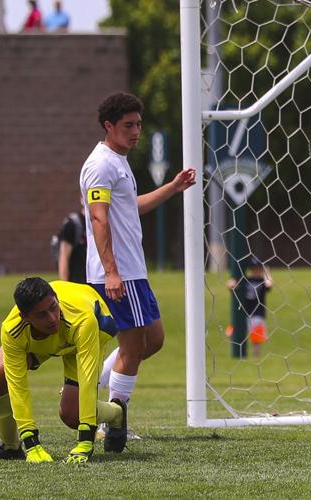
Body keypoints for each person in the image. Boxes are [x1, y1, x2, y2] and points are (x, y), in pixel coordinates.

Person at [79, 92, 196, 453]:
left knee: (152, 340)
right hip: (119, 274)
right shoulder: (101, 165)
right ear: (108, 126)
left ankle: (87, 389)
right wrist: (112, 273)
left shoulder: (119, 162)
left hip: (132, 273)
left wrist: (173, 187)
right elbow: (99, 218)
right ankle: (114, 426)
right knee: (132, 348)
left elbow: (131, 208)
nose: (135, 132)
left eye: (139, 125)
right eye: (128, 125)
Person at [0, 278, 125, 463]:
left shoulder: (82, 318)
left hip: (93, 327)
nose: (52, 318)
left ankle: (117, 412)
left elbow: (88, 380)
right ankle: (10, 447)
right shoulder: (11, 330)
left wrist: (86, 441)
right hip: (50, 340)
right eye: (41, 315)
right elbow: (18, 386)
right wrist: (31, 442)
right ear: (25, 317)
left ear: (56, 298)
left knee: (72, 415)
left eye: (53, 307)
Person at [227, 257, 273, 357]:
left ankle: (256, 357)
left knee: (256, 339)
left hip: (257, 314)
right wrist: (230, 285)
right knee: (231, 333)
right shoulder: (245, 280)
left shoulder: (262, 281)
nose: (256, 270)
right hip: (243, 313)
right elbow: (232, 286)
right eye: (253, 268)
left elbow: (269, 284)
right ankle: (235, 353)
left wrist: (267, 272)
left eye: (258, 268)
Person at [56, 201, 88, 284]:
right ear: (81, 199)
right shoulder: (74, 224)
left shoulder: (102, 221)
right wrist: (65, 285)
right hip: (77, 282)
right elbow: (63, 257)